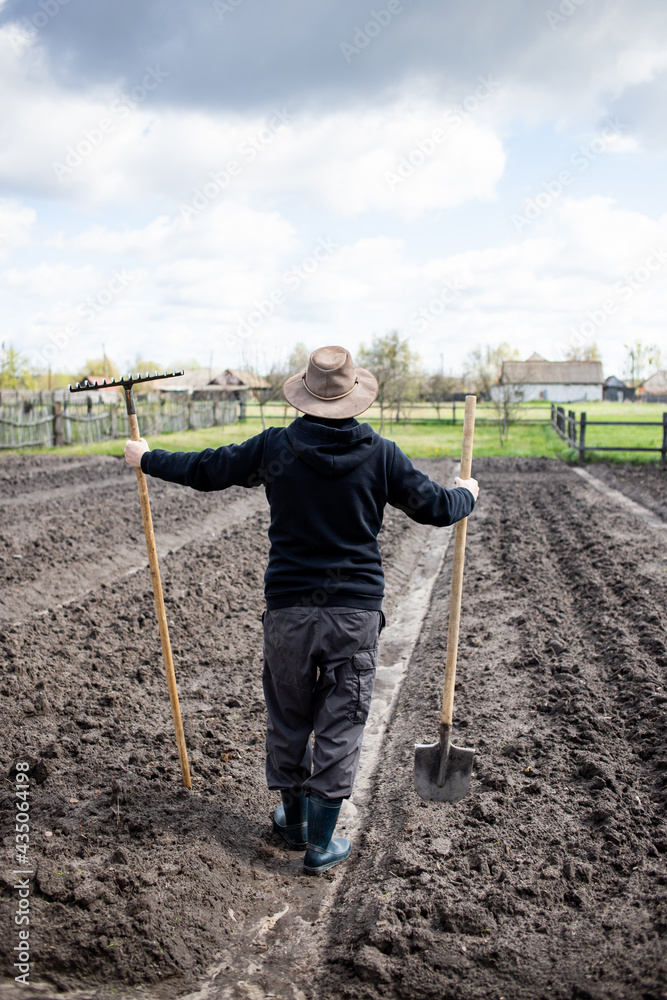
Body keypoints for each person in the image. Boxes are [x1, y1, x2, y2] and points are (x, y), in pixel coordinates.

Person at [124, 345, 479, 875]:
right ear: (355, 399)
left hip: (288, 610)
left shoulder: (276, 447)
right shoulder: (382, 454)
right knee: (341, 720)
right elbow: (435, 507)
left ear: (305, 397)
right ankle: (320, 842)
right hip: (353, 615)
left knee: (288, 714)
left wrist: (147, 458)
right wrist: (467, 493)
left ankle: (292, 821)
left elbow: (207, 468)